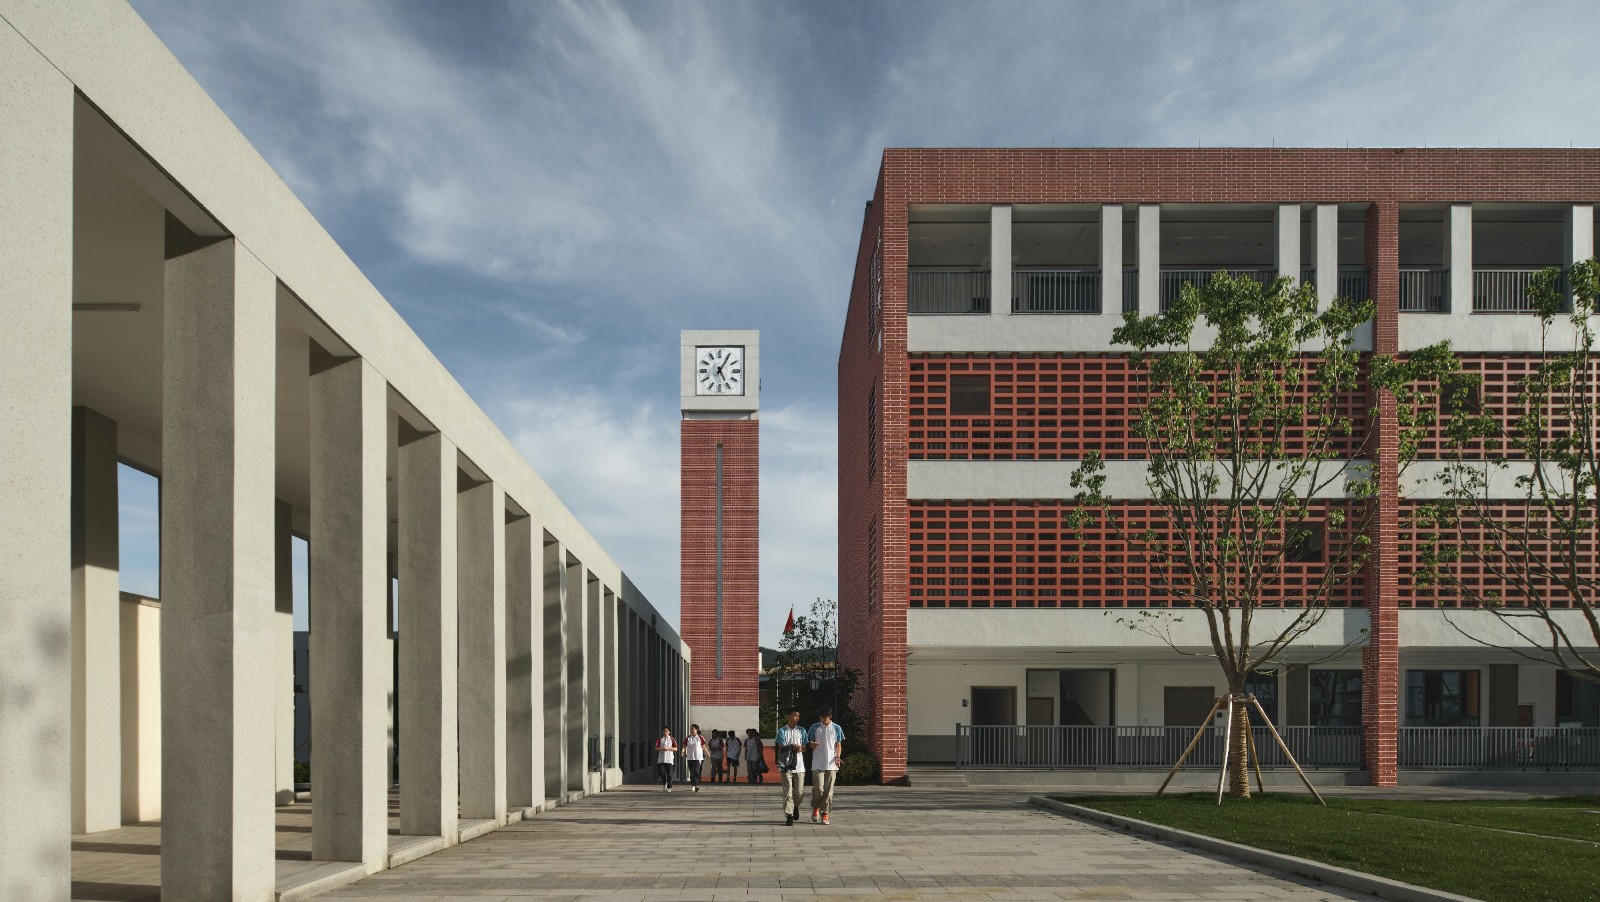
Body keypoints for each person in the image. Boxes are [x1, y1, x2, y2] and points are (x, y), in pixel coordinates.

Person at [807, 706, 844, 825]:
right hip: (817, 762)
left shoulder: (836, 728)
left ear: (830, 716)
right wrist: (812, 744)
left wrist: (838, 757)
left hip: (831, 764)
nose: (822, 719)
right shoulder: (814, 727)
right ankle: (816, 807)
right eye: (821, 717)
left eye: (824, 717)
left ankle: (825, 813)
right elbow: (809, 743)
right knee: (818, 788)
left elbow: (838, 745)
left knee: (828, 791)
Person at [774, 709, 807, 826]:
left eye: (798, 716)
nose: (797, 718)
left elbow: (805, 747)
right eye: (794, 715)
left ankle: (795, 806)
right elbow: (781, 747)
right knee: (788, 791)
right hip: (786, 765)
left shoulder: (802, 730)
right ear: (789, 716)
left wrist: (800, 748)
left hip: (799, 765)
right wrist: (791, 747)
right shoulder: (782, 731)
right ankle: (789, 815)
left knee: (799, 792)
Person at [683, 724, 707, 792]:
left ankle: (696, 785)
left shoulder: (700, 738)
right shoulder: (688, 738)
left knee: (696, 771)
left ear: (696, 730)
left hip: (698, 757)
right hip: (690, 757)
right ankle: (693, 785)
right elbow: (684, 746)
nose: (691, 730)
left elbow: (703, 746)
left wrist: (707, 753)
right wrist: (682, 752)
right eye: (690, 729)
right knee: (691, 772)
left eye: (692, 728)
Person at [655, 726, 678, 792]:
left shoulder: (672, 739)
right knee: (661, 773)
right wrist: (662, 748)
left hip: (669, 759)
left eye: (666, 731)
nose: (665, 732)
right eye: (664, 731)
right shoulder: (660, 740)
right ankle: (664, 783)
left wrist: (670, 748)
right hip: (661, 759)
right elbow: (656, 748)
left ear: (669, 732)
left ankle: (669, 787)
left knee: (669, 774)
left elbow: (676, 748)